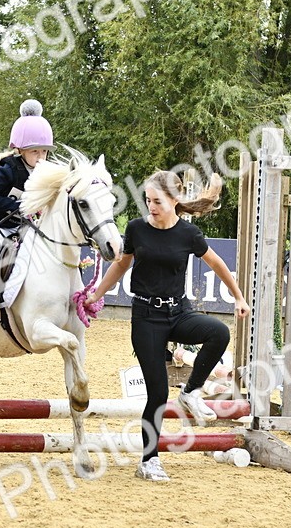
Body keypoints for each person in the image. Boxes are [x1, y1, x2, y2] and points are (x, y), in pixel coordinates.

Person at [85, 171, 250, 482]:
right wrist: (96, 293)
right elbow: (121, 265)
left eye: (157, 201)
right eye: (148, 200)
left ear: (175, 201)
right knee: (158, 392)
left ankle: (191, 392)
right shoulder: (136, 229)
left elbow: (217, 264)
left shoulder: (189, 233)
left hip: (178, 312)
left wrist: (239, 297)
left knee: (219, 332)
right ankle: (149, 461)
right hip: (146, 318)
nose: (151, 207)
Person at [0, 99, 54, 323]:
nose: (40, 157)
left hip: (29, 228)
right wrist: (17, 207)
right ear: (20, 150)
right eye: (35, 152)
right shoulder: (9, 169)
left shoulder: (47, 171)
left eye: (44, 152)